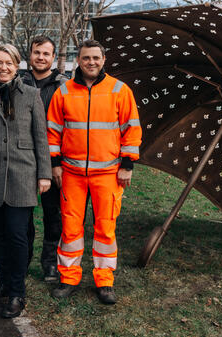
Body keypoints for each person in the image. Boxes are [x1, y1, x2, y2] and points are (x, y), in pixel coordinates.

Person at [47, 40, 142, 305]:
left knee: (106, 228)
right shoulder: (64, 91)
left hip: (109, 174)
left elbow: (131, 130)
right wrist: (55, 163)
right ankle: (69, 278)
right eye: (86, 58)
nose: (91, 62)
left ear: (104, 60)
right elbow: (53, 131)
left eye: (96, 58)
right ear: (78, 60)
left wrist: (127, 165)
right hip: (71, 173)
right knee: (70, 228)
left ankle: (105, 281)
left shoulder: (120, 91)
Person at [0, 44, 52, 318]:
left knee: (17, 236)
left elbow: (41, 137)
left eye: (10, 63)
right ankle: (3, 285)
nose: (4, 67)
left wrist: (44, 174)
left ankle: (17, 292)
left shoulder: (30, 95)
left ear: (17, 67)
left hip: (22, 175)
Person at [22, 36, 67, 282]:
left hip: (52, 159)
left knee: (53, 214)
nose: (41, 57)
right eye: (37, 52)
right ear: (30, 54)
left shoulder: (64, 86)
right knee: (23, 213)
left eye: (46, 53)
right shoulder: (18, 81)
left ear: (53, 57)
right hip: (23, 159)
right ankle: (24, 257)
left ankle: (50, 261)